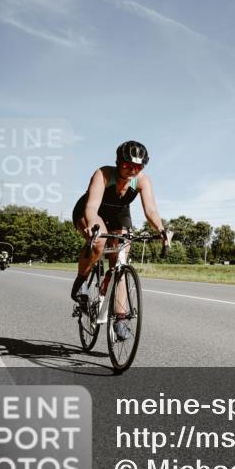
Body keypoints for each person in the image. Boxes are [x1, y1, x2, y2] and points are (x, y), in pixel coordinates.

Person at [70, 141, 169, 340]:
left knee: (121, 259)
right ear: (118, 162)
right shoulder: (103, 174)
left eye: (138, 167)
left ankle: (120, 317)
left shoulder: (142, 181)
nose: (132, 170)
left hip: (118, 214)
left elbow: (150, 211)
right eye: (127, 165)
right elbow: (92, 206)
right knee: (99, 241)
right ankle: (81, 281)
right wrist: (91, 225)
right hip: (91, 211)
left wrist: (161, 229)